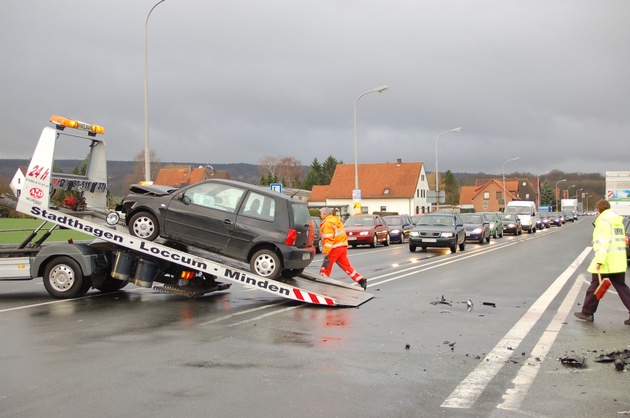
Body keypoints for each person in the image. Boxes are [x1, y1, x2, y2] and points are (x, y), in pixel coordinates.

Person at [574, 199, 630, 324]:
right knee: (622, 288)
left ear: (598, 210)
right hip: (618, 260)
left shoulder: (604, 222)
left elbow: (604, 243)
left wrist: (599, 261)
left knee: (595, 286)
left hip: (606, 261)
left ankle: (587, 312)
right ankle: (587, 312)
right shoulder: (617, 221)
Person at [318, 207, 367, 290]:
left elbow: (328, 238)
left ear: (325, 214)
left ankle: (323, 286)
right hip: (342, 247)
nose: (320, 215)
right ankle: (360, 280)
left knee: (325, 267)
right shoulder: (336, 221)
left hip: (334, 248)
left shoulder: (327, 223)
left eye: (321, 214)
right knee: (347, 266)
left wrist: (326, 252)